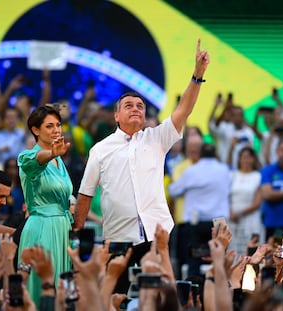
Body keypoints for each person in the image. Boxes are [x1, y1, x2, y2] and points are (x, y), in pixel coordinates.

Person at [73, 39, 210, 293]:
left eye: (140, 106)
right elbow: (85, 194)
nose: (136, 109)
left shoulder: (156, 138)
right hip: (117, 236)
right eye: (128, 106)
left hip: (155, 234)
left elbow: (184, 110)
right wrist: (77, 231)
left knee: (160, 298)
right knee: (115, 295)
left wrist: (197, 76)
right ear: (116, 116)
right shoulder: (100, 149)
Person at [17, 105, 74, 305]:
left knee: (61, 293)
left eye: (58, 125)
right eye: (49, 126)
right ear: (35, 130)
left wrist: (72, 205)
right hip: (42, 229)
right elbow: (34, 162)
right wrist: (50, 153)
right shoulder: (27, 156)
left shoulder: (59, 159)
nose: (57, 130)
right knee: (42, 288)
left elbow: (65, 194)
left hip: (63, 229)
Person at [168, 143, 231, 277]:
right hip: (219, 223)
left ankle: (194, 293)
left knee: (195, 259)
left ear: (200, 155)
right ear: (215, 154)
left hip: (197, 223)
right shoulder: (224, 170)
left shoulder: (192, 171)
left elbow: (174, 191)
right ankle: (220, 291)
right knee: (219, 258)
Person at [228, 146, 263, 257]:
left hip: (251, 219)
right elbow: (225, 197)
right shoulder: (232, 175)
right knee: (234, 252)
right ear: (239, 159)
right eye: (243, 157)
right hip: (233, 219)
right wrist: (230, 212)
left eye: (249, 157)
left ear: (253, 159)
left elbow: (257, 202)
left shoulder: (258, 176)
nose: (246, 160)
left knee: (251, 252)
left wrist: (240, 213)